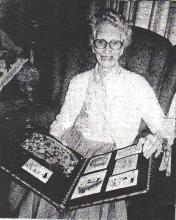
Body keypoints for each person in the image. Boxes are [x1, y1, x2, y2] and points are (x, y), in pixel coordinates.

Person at [8, 9, 172, 219]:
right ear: (92, 44)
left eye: (115, 43)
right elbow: (62, 122)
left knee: (88, 209)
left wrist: (156, 138)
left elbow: (162, 124)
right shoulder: (79, 81)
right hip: (72, 147)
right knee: (47, 195)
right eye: (101, 42)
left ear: (123, 47)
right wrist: (48, 149)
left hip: (111, 156)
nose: (107, 49)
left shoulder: (137, 84)